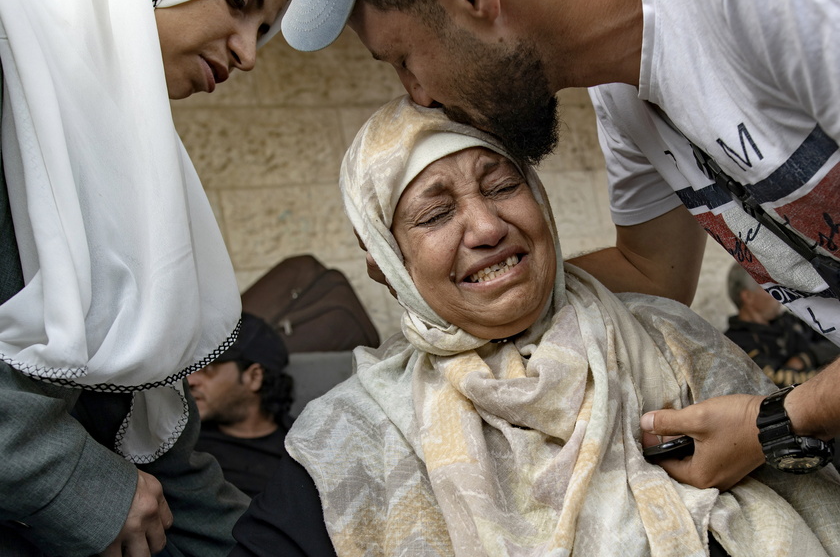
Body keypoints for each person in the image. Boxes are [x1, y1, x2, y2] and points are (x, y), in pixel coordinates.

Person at [231, 95, 840, 557]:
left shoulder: (668, 339)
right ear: (388, 265)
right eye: (436, 214)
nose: (487, 226)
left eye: (502, 186)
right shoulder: (357, 432)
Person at [278, 0, 840, 490]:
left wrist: (783, 418)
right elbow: (651, 270)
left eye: (403, 59)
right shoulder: (623, 102)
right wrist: (443, 294)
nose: (419, 95)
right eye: (435, 214)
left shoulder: (776, 12)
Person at [0, 0, 287, 555]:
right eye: (241, 4)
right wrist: (77, 484)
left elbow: (160, 465)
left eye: (263, 31)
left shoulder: (125, 150)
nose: (249, 54)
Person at [189, 313, 294, 498]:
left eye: (206, 369)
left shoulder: (302, 449)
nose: (190, 380)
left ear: (254, 377)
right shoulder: (183, 445)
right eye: (189, 368)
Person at [725, 264, 840, 387]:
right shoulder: (735, 342)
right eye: (769, 289)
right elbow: (775, 381)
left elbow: (835, 338)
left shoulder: (789, 321)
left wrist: (806, 358)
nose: (778, 294)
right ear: (748, 297)